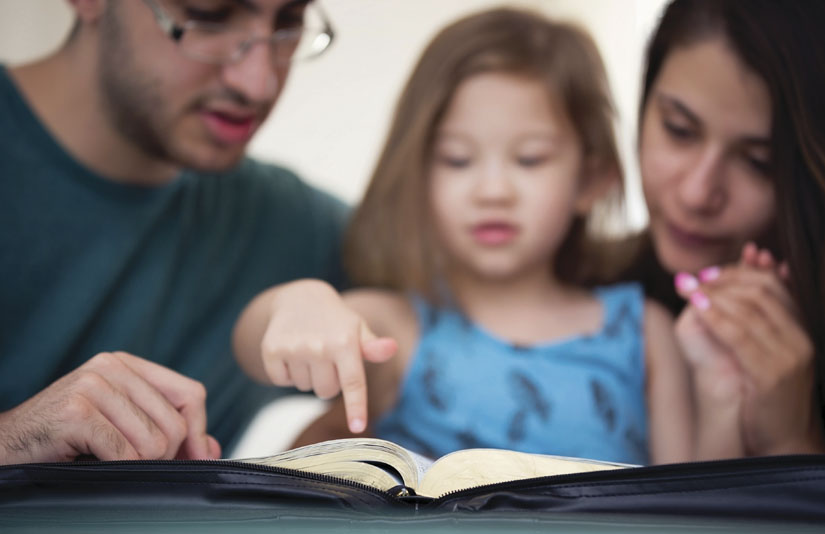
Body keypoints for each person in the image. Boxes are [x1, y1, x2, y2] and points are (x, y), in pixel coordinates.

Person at [233, 8, 693, 465]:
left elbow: (692, 504)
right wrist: (297, 303)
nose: (492, 191)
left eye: (530, 159)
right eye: (457, 160)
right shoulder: (393, 329)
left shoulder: (645, 334)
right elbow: (253, 346)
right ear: (419, 177)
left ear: (592, 179)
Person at [0, 0, 347, 465]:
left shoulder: (291, 222)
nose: (258, 83)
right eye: (209, 15)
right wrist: (15, 440)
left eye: (288, 22)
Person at [617, 0, 825, 458]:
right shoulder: (583, 289)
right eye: (679, 130)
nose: (697, 193)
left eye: (758, 162)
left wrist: (792, 441)